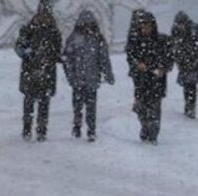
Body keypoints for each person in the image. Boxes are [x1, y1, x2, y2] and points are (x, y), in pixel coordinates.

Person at [62, 10, 115, 142]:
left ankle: (91, 130)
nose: (88, 26)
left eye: (90, 24)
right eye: (85, 24)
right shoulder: (74, 39)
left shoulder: (98, 39)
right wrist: (71, 76)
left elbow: (104, 58)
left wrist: (108, 74)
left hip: (92, 79)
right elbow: (67, 60)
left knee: (91, 107)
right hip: (78, 80)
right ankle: (77, 127)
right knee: (77, 106)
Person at [14, 3, 62, 142]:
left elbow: (57, 51)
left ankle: (41, 130)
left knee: (43, 104)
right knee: (30, 103)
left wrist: (58, 57)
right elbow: (19, 47)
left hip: (45, 72)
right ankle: (27, 129)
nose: (44, 17)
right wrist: (26, 53)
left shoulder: (53, 32)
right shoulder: (29, 29)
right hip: (32, 71)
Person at [125, 9, 173, 144]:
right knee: (141, 108)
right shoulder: (135, 42)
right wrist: (137, 65)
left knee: (154, 109)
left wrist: (162, 68)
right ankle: (145, 128)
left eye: (149, 26)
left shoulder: (162, 41)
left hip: (157, 81)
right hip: (141, 81)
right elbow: (131, 57)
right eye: (143, 26)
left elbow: (169, 59)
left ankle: (153, 134)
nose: (146, 29)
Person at [171, 11, 198, 119]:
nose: (181, 25)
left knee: (192, 85)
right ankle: (188, 105)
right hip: (183, 62)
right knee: (186, 85)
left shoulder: (194, 29)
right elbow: (174, 45)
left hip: (194, 61)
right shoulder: (176, 30)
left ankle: (191, 106)